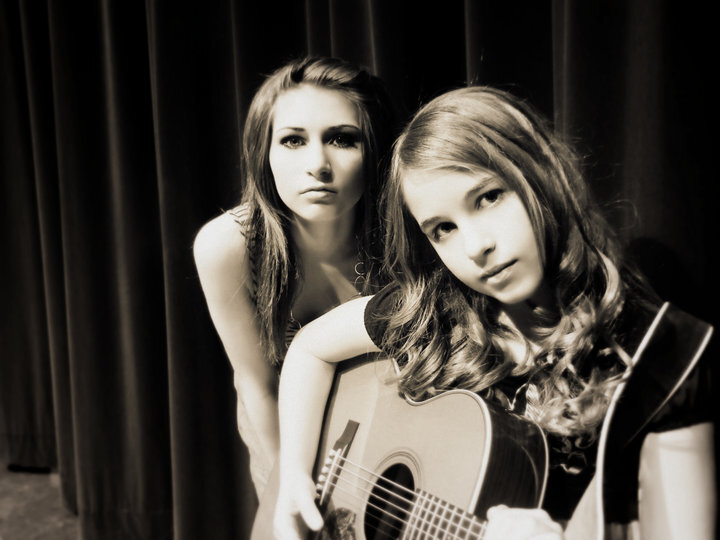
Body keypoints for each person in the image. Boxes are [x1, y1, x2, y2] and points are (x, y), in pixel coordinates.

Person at [273, 86, 715, 539]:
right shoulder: (434, 313)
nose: (475, 246)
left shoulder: (657, 355)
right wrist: (293, 477)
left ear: (540, 171)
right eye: (443, 229)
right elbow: (308, 348)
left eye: (488, 198)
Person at [193, 56, 397, 498]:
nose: (318, 164)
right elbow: (258, 385)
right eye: (293, 140)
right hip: (279, 428)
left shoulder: (402, 236)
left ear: (374, 150)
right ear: (263, 153)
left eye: (342, 139)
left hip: (381, 429)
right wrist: (287, 483)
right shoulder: (227, 247)